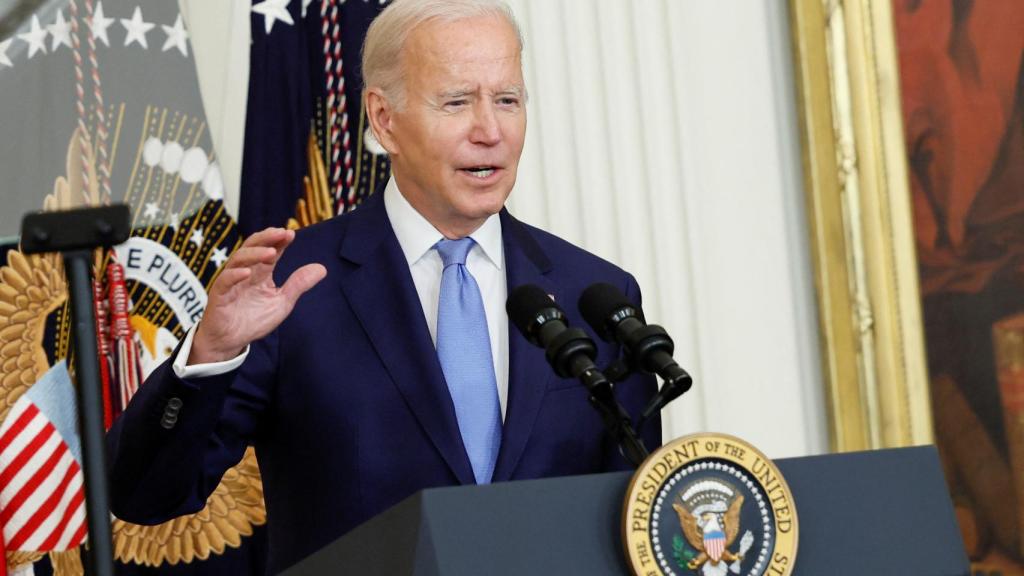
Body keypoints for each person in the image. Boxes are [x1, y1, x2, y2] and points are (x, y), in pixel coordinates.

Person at [106, 0, 660, 572]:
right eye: (457, 102)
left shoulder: (595, 294)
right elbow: (146, 495)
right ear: (384, 119)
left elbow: (634, 524)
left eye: (507, 100)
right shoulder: (294, 288)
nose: (490, 131)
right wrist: (211, 354)